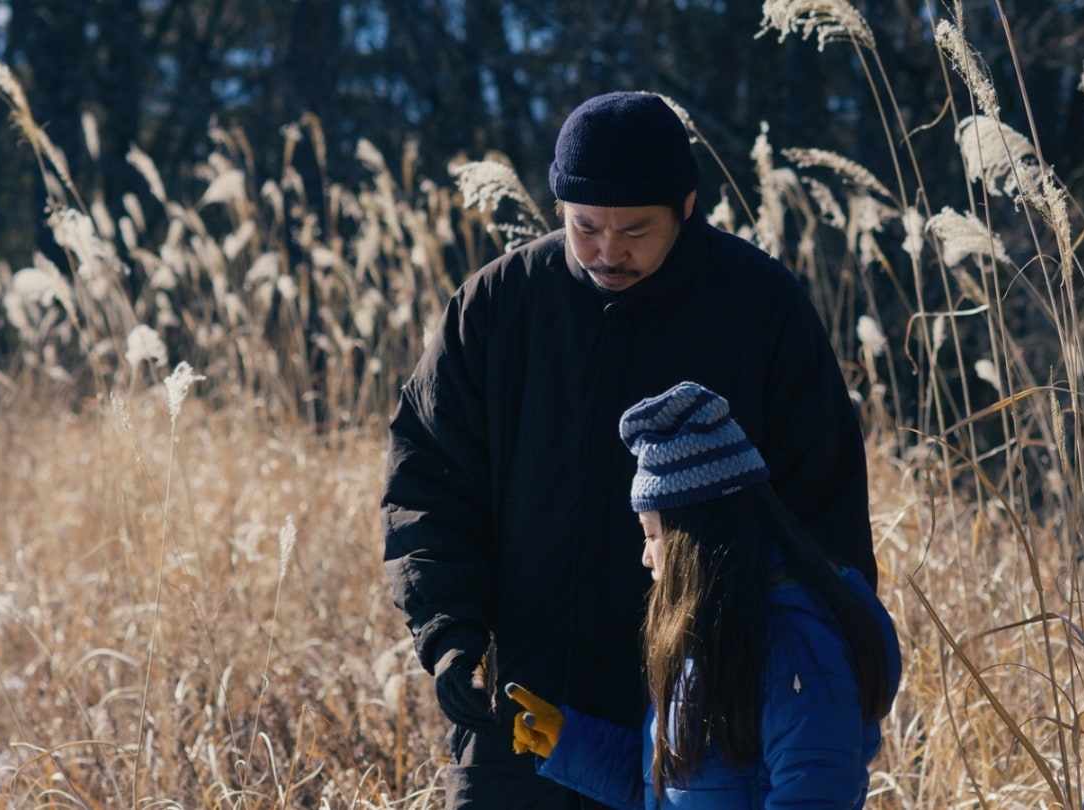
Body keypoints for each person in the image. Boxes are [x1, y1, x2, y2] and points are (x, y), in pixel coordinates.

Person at [380, 90, 877, 808]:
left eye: (636, 230)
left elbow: (822, 524)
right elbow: (426, 484)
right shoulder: (496, 308)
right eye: (585, 227)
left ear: (687, 204)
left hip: (704, 727)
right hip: (523, 718)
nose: (609, 251)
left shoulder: (761, 310)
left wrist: (800, 681)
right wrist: (449, 632)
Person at [504, 381, 900, 809]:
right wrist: (571, 745)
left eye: (652, 534)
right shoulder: (712, 637)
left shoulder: (797, 647)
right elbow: (671, 791)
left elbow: (816, 795)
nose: (645, 556)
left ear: (693, 539)